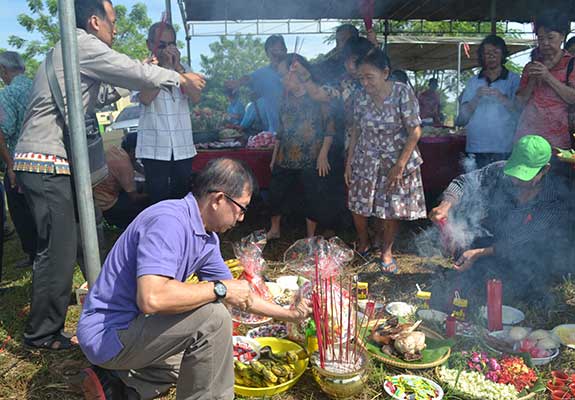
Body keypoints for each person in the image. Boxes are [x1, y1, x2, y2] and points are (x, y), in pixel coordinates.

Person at [12, 0, 205, 351]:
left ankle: (107, 302)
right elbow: (129, 74)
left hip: (57, 161)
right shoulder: (80, 43)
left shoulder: (78, 51)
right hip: (46, 160)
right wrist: (176, 76)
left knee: (89, 236)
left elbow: (102, 92)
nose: (116, 30)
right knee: (59, 249)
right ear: (94, 21)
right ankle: (42, 334)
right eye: (113, 22)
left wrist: (149, 71)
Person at [77, 158, 311, 400]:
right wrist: (219, 289)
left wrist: (289, 314)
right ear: (218, 199)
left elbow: (240, 296)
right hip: (111, 333)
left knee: (211, 360)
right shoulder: (169, 222)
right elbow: (152, 298)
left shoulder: (206, 238)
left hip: (137, 327)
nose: (241, 218)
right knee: (214, 319)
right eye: (241, 208)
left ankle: (118, 388)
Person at [429, 135, 570, 303]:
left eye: (525, 176)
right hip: (492, 240)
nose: (516, 180)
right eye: (515, 172)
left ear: (544, 170)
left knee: (519, 285)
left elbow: (520, 240)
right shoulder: (499, 171)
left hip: (525, 252)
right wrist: (445, 206)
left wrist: (478, 253)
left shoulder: (552, 199)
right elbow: (462, 183)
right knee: (470, 260)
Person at [345, 48, 426, 274]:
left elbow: (415, 131)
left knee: (391, 208)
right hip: (366, 158)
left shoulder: (402, 92)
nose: (365, 83)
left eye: (369, 77)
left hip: (396, 158)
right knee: (358, 205)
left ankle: (386, 252)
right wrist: (349, 161)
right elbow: (356, 131)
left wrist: (399, 166)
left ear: (385, 72)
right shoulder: (360, 98)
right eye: (360, 78)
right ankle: (364, 243)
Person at [267, 54, 336, 239]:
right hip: (286, 156)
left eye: (284, 75)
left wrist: (323, 155)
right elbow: (280, 131)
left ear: (295, 72)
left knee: (312, 196)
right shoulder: (285, 99)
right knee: (276, 193)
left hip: (311, 156)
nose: (282, 80)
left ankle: (310, 236)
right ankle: (275, 229)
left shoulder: (317, 95)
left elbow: (330, 127)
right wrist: (274, 157)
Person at [135, 22, 200, 205]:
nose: (167, 49)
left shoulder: (184, 69)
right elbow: (146, 98)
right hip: (154, 148)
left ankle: (182, 233)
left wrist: (178, 67)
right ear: (150, 44)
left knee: (183, 199)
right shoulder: (142, 69)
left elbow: (196, 97)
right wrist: (162, 69)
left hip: (182, 147)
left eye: (171, 44)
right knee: (158, 201)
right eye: (162, 45)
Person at [458, 35, 521, 169]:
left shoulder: (514, 79)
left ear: (503, 54)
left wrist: (502, 98)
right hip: (476, 146)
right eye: (487, 53)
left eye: (495, 52)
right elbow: (463, 116)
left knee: (502, 187)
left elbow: (520, 111)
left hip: (504, 147)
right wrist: (476, 97)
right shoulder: (473, 81)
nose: (491, 56)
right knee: (476, 187)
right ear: (482, 56)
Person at [515, 11, 575, 150]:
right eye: (541, 39)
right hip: (527, 137)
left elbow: (572, 98)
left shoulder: (571, 64)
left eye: (550, 37)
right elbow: (519, 102)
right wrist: (532, 81)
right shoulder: (530, 66)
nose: (545, 43)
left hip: (558, 141)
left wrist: (548, 77)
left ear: (562, 37)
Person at [0, 51, 36, 268]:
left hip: (19, 163)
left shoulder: (7, 94)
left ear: (4, 70)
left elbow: (1, 132)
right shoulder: (39, 87)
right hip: (46, 160)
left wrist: (10, 166)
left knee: (22, 215)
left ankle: (33, 256)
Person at [225, 35, 287, 133]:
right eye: (273, 51)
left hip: (298, 130)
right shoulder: (263, 73)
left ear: (285, 50)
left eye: (280, 50)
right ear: (267, 54)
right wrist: (238, 82)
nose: (277, 55)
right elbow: (249, 78)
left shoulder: (295, 68)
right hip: (275, 132)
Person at [93, 132, 148, 229]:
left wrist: (148, 175)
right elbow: (134, 197)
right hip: (107, 204)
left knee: (139, 185)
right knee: (143, 211)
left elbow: (135, 164)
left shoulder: (116, 150)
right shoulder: (125, 165)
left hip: (98, 196)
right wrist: (152, 195)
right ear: (133, 150)